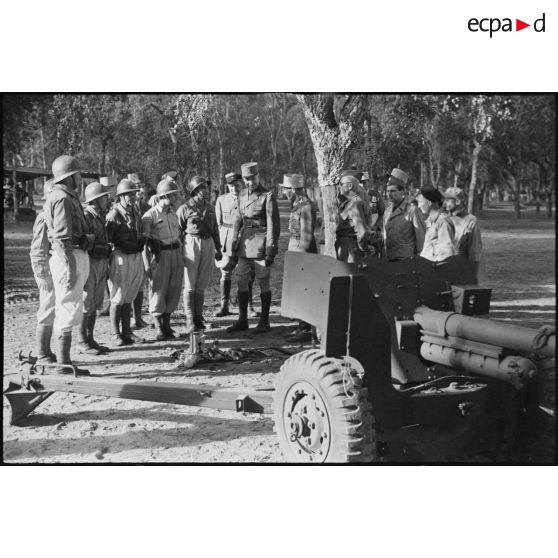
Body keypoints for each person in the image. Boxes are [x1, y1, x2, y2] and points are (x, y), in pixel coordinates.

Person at [44, 155, 93, 376]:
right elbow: (62, 238)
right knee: (66, 308)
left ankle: (65, 362)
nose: (80, 178)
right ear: (70, 176)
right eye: (78, 174)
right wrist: (72, 267)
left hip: (72, 254)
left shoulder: (65, 196)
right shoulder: (62, 198)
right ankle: (64, 364)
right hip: (68, 256)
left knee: (70, 307)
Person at [226, 162, 280, 334]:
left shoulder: (267, 196)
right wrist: (234, 242)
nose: (251, 182)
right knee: (241, 279)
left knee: (263, 281)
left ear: (259, 176)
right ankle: (242, 319)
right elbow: (238, 221)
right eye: (247, 179)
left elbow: (273, 224)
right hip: (245, 244)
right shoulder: (241, 194)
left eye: (253, 178)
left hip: (261, 242)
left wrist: (271, 248)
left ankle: (264, 321)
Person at [176, 175, 222, 333]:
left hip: (207, 243)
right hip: (191, 243)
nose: (206, 190)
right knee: (190, 284)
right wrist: (179, 251)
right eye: (202, 187)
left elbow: (215, 229)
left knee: (201, 283)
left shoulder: (210, 207)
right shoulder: (185, 208)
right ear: (195, 190)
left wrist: (218, 248)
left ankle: (198, 317)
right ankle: (190, 319)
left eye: (206, 187)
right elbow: (177, 231)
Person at [142, 179, 184, 340]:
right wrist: (146, 264)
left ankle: (167, 326)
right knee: (158, 290)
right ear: (162, 196)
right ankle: (159, 327)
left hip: (176, 253)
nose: (174, 198)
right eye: (171, 195)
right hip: (160, 256)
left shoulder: (173, 214)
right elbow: (144, 244)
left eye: (175, 195)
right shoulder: (149, 216)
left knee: (173, 290)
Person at [106, 179, 146, 346]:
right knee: (117, 296)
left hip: (135, 255)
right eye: (129, 194)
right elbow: (108, 239)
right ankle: (116, 334)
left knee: (129, 294)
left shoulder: (134, 212)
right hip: (120, 256)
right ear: (121, 196)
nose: (133, 197)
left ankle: (127, 332)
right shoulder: (114, 214)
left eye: (133, 194)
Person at [78, 182, 112, 355]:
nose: (107, 199)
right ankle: (82, 340)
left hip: (101, 261)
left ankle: (90, 338)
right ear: (95, 200)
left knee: (96, 302)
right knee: (87, 302)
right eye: (104, 197)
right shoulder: (87, 215)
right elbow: (84, 241)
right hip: (90, 262)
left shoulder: (100, 215)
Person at [284, 173, 318, 341]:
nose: (284, 193)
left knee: (304, 290)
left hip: (303, 250)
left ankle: (306, 329)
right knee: (298, 290)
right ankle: (301, 326)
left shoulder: (304, 205)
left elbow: (306, 234)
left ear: (293, 189)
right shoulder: (297, 203)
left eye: (286, 190)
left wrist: (302, 259)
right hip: (295, 248)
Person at [30, 178, 57, 364]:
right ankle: (41, 353)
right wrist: (42, 273)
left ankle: (46, 350)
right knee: (47, 309)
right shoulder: (43, 217)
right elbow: (38, 249)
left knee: (53, 308)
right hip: (46, 268)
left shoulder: (53, 214)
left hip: (53, 267)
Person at [214, 172, 244, 317]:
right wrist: (219, 244)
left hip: (245, 240)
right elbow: (218, 224)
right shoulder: (221, 200)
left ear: (242, 185)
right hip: (227, 240)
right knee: (226, 272)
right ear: (227, 187)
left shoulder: (247, 198)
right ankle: (224, 305)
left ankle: (247, 306)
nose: (234, 189)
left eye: (237, 185)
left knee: (245, 273)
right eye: (231, 186)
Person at [382, 168, 426, 261]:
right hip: (389, 259)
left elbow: (421, 239)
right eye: (388, 191)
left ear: (402, 192)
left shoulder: (412, 211)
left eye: (393, 191)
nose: (389, 194)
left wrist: (419, 260)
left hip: (406, 261)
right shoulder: (387, 211)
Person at [444, 186, 483, 282]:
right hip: (441, 268)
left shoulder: (471, 221)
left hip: (460, 269)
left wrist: (472, 275)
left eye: (448, 200)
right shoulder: (443, 218)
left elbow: (475, 251)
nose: (445, 203)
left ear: (457, 202)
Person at [128, 173, 150, 328]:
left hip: (142, 249)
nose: (140, 190)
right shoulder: (121, 206)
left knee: (140, 283)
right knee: (127, 285)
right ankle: (127, 318)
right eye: (136, 187)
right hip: (127, 250)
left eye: (142, 186)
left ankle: (138, 317)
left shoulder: (146, 207)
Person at [335, 174, 372, 263]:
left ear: (350, 186)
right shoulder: (350, 203)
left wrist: (363, 248)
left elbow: (362, 231)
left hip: (351, 250)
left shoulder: (356, 204)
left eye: (341, 184)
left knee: (350, 275)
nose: (339, 187)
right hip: (346, 248)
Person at [417, 185, 457, 262]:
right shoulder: (431, 220)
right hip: (426, 267)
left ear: (429, 202)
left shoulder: (442, 221)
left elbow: (447, 253)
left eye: (420, 202)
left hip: (434, 269)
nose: (418, 206)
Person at [97, 176, 117, 318]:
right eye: (105, 188)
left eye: (110, 188)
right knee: (105, 276)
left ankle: (116, 304)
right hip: (104, 244)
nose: (108, 191)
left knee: (115, 277)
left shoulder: (116, 205)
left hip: (115, 244)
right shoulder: (100, 204)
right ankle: (110, 303)